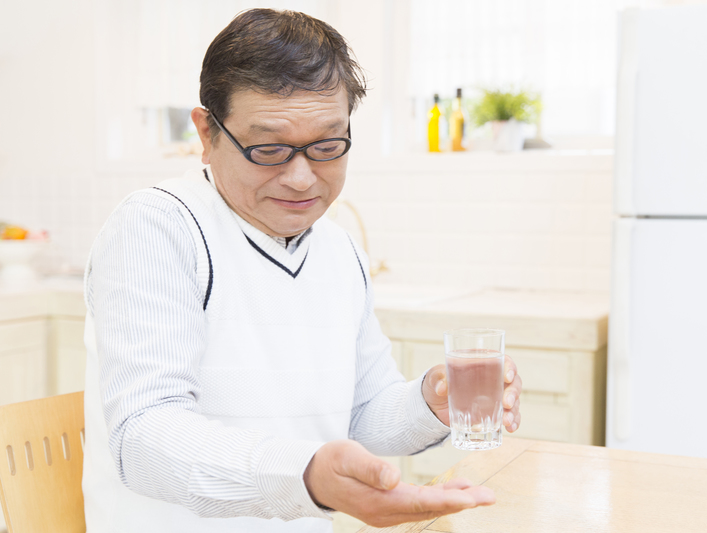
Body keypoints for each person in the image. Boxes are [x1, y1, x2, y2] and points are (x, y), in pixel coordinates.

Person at [82, 8, 523, 533]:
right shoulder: (158, 227)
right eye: (268, 148)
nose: (300, 178)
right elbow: (145, 435)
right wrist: (308, 476)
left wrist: (432, 402)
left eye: (326, 146)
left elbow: (363, 416)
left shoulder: (338, 249)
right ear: (206, 131)